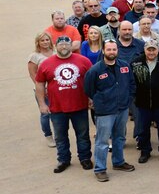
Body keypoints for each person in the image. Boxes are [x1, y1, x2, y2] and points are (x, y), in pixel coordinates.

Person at [34, 36, 93, 173]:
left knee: (83, 135)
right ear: (56, 46)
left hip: (80, 106)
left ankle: (85, 158)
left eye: (67, 44)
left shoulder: (83, 61)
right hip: (57, 108)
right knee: (60, 136)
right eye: (61, 44)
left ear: (71, 45)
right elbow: (40, 84)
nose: (64, 47)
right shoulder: (46, 64)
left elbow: (92, 80)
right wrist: (42, 104)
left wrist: (91, 97)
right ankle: (63, 160)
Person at [84, 40, 137, 182]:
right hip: (105, 111)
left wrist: (127, 98)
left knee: (119, 137)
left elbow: (132, 83)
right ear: (103, 51)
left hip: (122, 108)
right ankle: (100, 169)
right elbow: (89, 89)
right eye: (109, 49)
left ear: (117, 50)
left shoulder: (124, 66)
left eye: (114, 49)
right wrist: (101, 100)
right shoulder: (95, 70)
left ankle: (118, 162)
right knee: (102, 141)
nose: (112, 52)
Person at [132, 39, 159, 164]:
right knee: (143, 129)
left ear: (158, 49)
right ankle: (145, 151)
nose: (151, 52)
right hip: (142, 102)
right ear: (144, 50)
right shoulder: (136, 62)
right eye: (149, 49)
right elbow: (131, 81)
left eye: (154, 49)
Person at [28, 32, 55, 147]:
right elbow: (33, 74)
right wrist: (43, 89)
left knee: (57, 113)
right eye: (42, 40)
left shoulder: (56, 53)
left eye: (47, 40)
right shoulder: (34, 56)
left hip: (56, 88)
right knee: (45, 114)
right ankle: (48, 136)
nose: (45, 42)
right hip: (42, 89)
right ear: (38, 42)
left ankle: (59, 135)